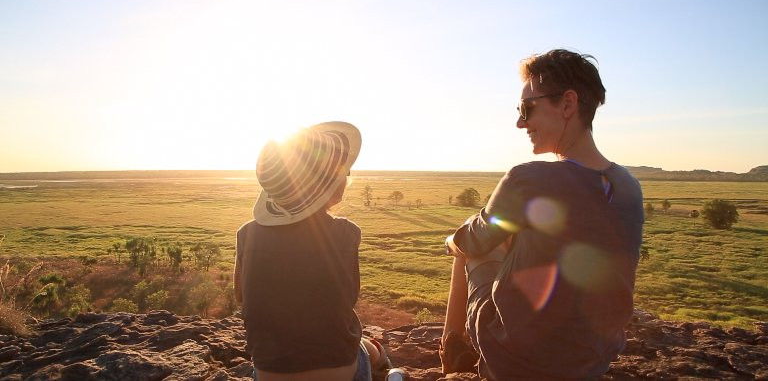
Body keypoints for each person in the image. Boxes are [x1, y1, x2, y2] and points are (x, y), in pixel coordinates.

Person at [440, 49, 644, 379]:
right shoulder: (629, 186)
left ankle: (452, 352)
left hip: (516, 360)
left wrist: (451, 242)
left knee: (467, 242)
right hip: (592, 358)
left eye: (526, 108)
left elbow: (476, 240)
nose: (520, 122)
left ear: (567, 104)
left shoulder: (529, 177)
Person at [233, 121, 390, 381]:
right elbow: (347, 299)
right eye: (342, 171)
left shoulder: (246, 233)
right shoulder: (346, 232)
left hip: (268, 373)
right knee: (374, 351)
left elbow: (241, 297)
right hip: (339, 371)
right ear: (325, 185)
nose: (347, 175)